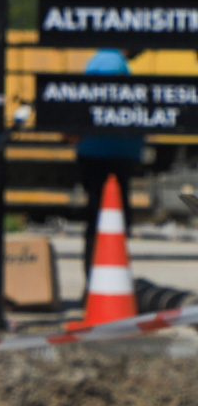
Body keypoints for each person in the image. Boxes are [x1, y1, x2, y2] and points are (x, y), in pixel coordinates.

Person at [75, 49, 144, 269]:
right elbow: (95, 97)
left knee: (108, 220)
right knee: (105, 221)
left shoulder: (111, 60)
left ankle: (103, 277)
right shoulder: (109, 61)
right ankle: (99, 278)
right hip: (105, 154)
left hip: (109, 153)